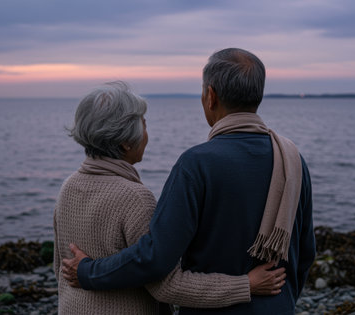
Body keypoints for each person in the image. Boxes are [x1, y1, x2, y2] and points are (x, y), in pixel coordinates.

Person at [63, 48, 316, 314]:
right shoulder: (292, 160)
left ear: (211, 96)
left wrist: (88, 272)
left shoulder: (196, 164)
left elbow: (156, 259)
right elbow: (305, 253)